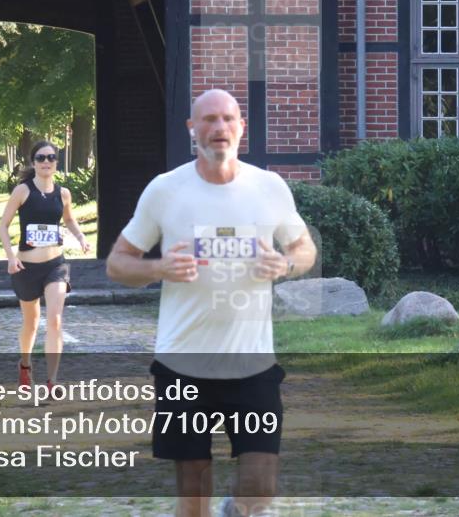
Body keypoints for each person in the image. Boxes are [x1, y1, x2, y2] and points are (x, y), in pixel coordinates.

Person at [106, 89, 317, 517]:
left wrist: (286, 264)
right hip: (184, 362)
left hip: (252, 364)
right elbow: (117, 264)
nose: (218, 128)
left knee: (260, 485)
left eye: (227, 119)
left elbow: (303, 249)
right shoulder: (165, 190)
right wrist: (160, 268)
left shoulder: (268, 187)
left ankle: (234, 509)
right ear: (192, 128)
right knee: (193, 489)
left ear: (241, 127)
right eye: (208, 120)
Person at [0, 140, 91, 388]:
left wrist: (81, 237)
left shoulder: (63, 193)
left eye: (51, 157)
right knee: (31, 323)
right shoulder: (22, 191)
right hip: (26, 268)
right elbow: (2, 226)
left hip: (55, 266)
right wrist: (11, 257)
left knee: (55, 320)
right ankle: (25, 365)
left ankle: (52, 380)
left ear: (56, 162)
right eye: (41, 158)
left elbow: (69, 220)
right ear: (33, 162)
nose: (46, 162)